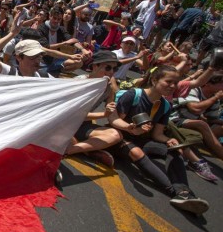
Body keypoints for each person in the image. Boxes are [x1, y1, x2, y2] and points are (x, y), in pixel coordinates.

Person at [108, 65, 209, 215]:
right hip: (120, 137)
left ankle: (184, 192)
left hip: (143, 140)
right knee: (136, 153)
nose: (172, 86)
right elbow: (114, 120)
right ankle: (176, 193)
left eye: (175, 83)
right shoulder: (133, 95)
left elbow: (157, 134)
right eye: (169, 82)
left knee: (175, 149)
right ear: (155, 80)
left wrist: (169, 140)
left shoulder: (165, 106)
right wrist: (130, 128)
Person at [65, 51, 123, 167]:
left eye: (114, 69)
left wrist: (130, 128)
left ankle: (71, 149)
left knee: (116, 135)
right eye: (107, 68)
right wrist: (103, 114)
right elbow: (73, 114)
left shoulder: (108, 88)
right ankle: (86, 149)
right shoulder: (79, 83)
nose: (111, 72)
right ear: (95, 66)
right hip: (65, 123)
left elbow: (112, 115)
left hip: (81, 125)